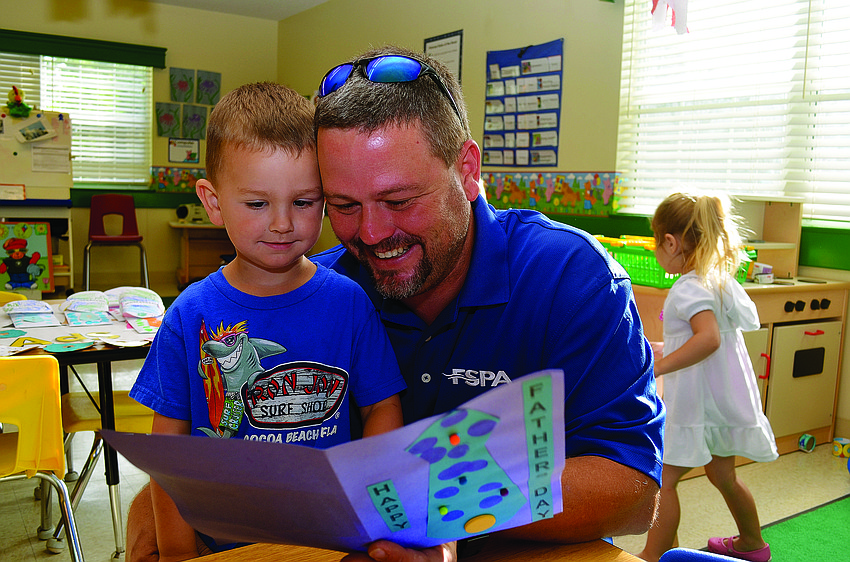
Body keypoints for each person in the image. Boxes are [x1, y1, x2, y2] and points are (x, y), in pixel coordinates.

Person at [311, 45, 665, 562]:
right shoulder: (319, 291)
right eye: (343, 206)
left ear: (468, 170)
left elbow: (632, 491)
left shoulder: (570, 278)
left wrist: (441, 515)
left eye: (399, 201)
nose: (370, 234)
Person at [127, 82, 406, 562]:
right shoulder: (189, 315)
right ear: (213, 202)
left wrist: (370, 504)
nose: (283, 223)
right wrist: (176, 552)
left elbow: (381, 408)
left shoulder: (350, 303)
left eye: (304, 202)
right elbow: (167, 454)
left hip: (330, 543)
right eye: (257, 204)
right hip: (224, 547)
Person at [637, 192, 778, 562]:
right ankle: (751, 543)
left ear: (670, 241)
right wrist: (663, 348)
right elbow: (700, 340)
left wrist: (658, 367)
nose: (656, 250)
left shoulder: (687, 287)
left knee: (663, 481)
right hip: (722, 401)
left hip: (697, 407)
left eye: (655, 241)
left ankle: (651, 555)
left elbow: (708, 339)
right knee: (723, 476)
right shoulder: (715, 280)